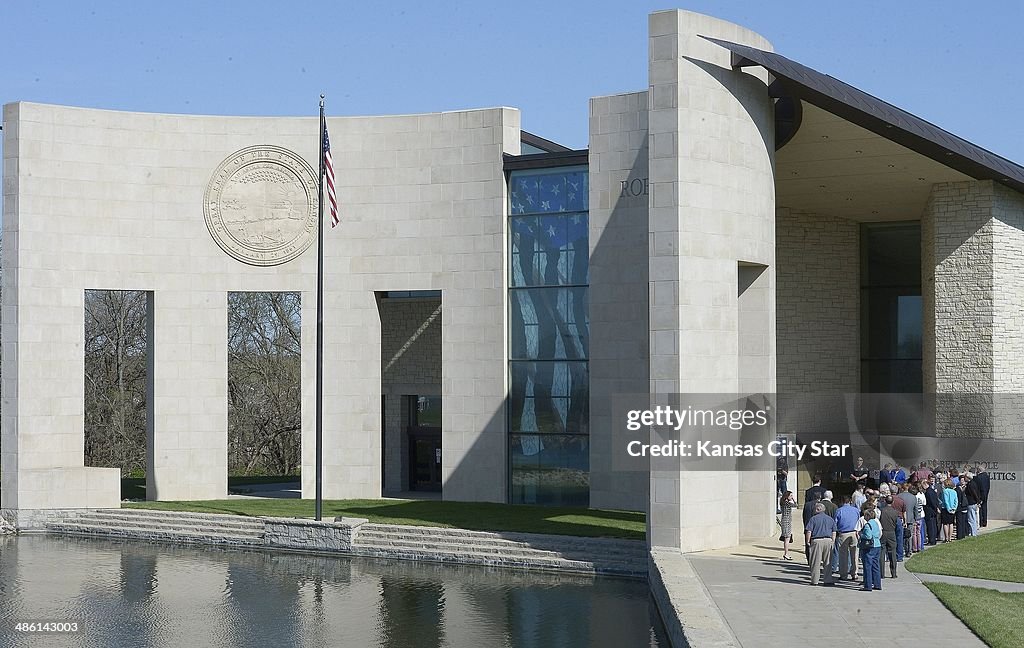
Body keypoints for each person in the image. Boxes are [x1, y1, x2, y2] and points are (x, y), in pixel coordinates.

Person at [804, 502, 837, 586]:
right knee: (827, 561)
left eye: (815, 508)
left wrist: (808, 541)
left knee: (815, 561)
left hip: (817, 540)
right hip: (828, 540)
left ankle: (815, 580)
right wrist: (832, 540)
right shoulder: (830, 519)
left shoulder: (813, 519)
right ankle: (828, 580)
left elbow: (809, 531)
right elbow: (834, 531)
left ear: (818, 509)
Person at [834, 495, 860, 580]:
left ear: (842, 501)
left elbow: (835, 523)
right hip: (854, 532)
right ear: (850, 501)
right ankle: (854, 573)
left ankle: (843, 574)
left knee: (843, 555)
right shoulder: (856, 510)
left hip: (843, 533)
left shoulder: (839, 511)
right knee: (855, 554)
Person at [859, 508, 882, 591]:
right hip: (877, 545)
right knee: (876, 565)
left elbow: (868, 536)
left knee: (867, 566)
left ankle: (868, 585)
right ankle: (877, 584)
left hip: (870, 546)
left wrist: (861, 534)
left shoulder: (868, 525)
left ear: (868, 516)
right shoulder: (876, 523)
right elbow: (879, 533)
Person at [879, 496, 900, 578]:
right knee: (893, 553)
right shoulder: (895, 512)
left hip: (883, 532)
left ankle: (881, 574)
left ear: (885, 501)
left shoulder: (882, 511)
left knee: (882, 553)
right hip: (891, 532)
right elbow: (896, 523)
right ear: (893, 502)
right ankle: (893, 573)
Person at [898, 483, 919, 556]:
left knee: (900, 535)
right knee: (909, 535)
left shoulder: (898, 496)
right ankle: (908, 551)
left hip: (900, 518)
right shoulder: (913, 497)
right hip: (910, 518)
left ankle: (901, 550)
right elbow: (916, 509)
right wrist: (916, 518)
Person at [779, 490, 797, 560]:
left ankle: (786, 553)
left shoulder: (783, 502)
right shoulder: (787, 503)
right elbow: (796, 505)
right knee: (787, 538)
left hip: (785, 520)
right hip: (786, 521)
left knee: (787, 538)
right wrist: (794, 500)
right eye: (791, 496)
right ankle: (786, 554)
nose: (792, 497)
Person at [924, 476, 942, 545]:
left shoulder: (928, 492)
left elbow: (932, 501)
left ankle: (931, 540)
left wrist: (936, 508)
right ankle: (933, 539)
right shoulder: (932, 491)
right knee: (933, 525)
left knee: (931, 526)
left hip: (930, 511)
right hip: (933, 511)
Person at [965, 473, 981, 537]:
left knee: (971, 519)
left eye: (965, 477)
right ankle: (974, 532)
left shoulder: (971, 484)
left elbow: (974, 493)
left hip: (971, 503)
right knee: (973, 518)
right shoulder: (973, 483)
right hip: (973, 503)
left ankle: (973, 533)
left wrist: (977, 501)